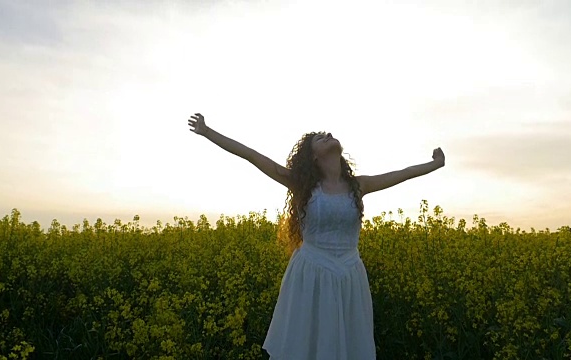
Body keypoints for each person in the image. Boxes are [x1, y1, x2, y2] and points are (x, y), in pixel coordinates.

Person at [187, 113, 445, 359]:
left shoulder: (359, 185)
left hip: (350, 275)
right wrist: (208, 132)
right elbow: (253, 156)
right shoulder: (304, 185)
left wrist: (435, 165)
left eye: (327, 134)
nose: (328, 135)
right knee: (308, 346)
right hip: (311, 274)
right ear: (313, 158)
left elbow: (402, 174)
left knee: (349, 346)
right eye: (320, 138)